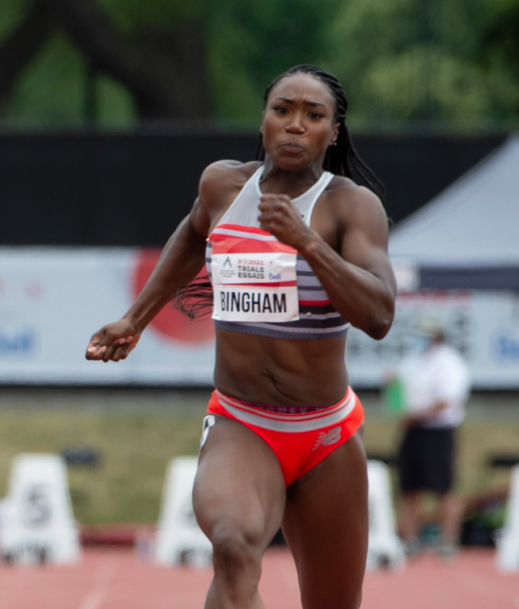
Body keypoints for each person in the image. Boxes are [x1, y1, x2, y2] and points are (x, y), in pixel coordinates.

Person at [86, 64, 395, 608]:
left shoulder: (352, 207)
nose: (295, 125)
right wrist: (135, 318)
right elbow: (191, 232)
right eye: (283, 111)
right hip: (241, 422)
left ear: (333, 131)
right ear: (264, 120)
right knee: (232, 548)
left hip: (326, 434)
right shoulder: (223, 184)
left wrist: (308, 244)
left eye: (313, 115)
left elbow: (378, 315)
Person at [393, 316, 470, 561]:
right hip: (413, 431)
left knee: (444, 488)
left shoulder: (449, 363)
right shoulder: (412, 360)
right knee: (409, 487)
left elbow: (447, 400)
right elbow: (399, 391)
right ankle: (410, 541)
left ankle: (448, 542)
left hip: (438, 432)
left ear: (436, 336)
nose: (420, 339)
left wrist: (416, 415)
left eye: (424, 335)